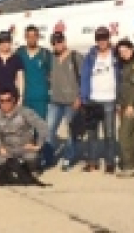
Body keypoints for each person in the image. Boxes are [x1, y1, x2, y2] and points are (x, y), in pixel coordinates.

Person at [79, 26, 119, 173]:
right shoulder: (90, 56)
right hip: (93, 99)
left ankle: (110, 162)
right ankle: (93, 161)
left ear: (108, 39)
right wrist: (84, 96)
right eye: (99, 39)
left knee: (109, 133)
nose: (102, 41)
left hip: (110, 98)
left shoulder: (115, 54)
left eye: (104, 38)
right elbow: (84, 76)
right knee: (92, 133)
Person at [0, 88, 48, 173]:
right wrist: (0, 147)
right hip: (6, 148)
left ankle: (28, 168)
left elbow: (42, 126)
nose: (5, 103)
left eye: (8, 100)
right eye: (2, 101)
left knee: (31, 157)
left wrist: (38, 145)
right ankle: (13, 167)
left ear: (13, 100)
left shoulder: (25, 112)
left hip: (24, 148)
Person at [46, 32, 84, 171]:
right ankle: (49, 158)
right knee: (49, 130)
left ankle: (68, 157)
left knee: (71, 132)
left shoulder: (75, 57)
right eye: (55, 43)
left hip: (72, 102)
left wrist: (80, 98)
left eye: (60, 41)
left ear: (64, 41)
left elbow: (84, 78)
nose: (57, 45)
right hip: (55, 101)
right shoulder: (51, 58)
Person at [115, 39, 134, 178]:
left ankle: (129, 165)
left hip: (133, 105)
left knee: (123, 134)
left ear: (132, 49)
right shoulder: (124, 65)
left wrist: (131, 105)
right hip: (124, 104)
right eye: (121, 52)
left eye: (126, 51)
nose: (123, 54)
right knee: (131, 135)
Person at [17, 25, 51, 121]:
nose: (32, 39)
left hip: (41, 98)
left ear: (38, 37)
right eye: (29, 36)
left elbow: (53, 74)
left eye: (34, 36)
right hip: (25, 98)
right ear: (25, 37)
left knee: (40, 128)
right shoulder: (20, 53)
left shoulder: (45, 54)